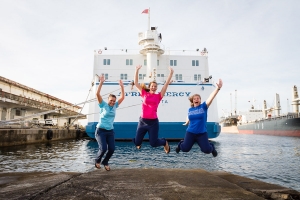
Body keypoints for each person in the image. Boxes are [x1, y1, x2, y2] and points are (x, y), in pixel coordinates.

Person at [175, 79, 223, 157]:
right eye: (195, 98)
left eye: (198, 98)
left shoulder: (203, 107)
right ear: (192, 101)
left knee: (207, 150)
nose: (196, 99)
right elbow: (188, 116)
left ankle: (212, 148)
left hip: (202, 133)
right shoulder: (190, 109)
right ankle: (180, 144)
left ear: (200, 100)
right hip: (190, 132)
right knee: (185, 149)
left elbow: (211, 97)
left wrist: (218, 89)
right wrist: (187, 121)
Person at [133, 65, 174, 153]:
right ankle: (138, 143)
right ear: (150, 86)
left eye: (155, 86)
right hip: (142, 121)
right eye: (152, 86)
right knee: (137, 142)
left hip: (153, 123)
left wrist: (171, 73)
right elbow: (136, 83)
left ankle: (164, 142)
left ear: (156, 88)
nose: (154, 87)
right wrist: (136, 70)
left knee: (153, 143)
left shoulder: (158, 96)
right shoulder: (144, 93)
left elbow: (166, 84)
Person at [94, 75, 125, 171]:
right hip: (101, 131)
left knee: (111, 149)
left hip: (110, 131)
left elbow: (123, 97)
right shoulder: (103, 104)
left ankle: (105, 161)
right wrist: (101, 82)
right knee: (103, 148)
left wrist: (121, 86)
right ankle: (97, 160)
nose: (112, 102)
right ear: (108, 100)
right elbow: (97, 94)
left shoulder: (115, 105)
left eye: (114, 101)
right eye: (111, 100)